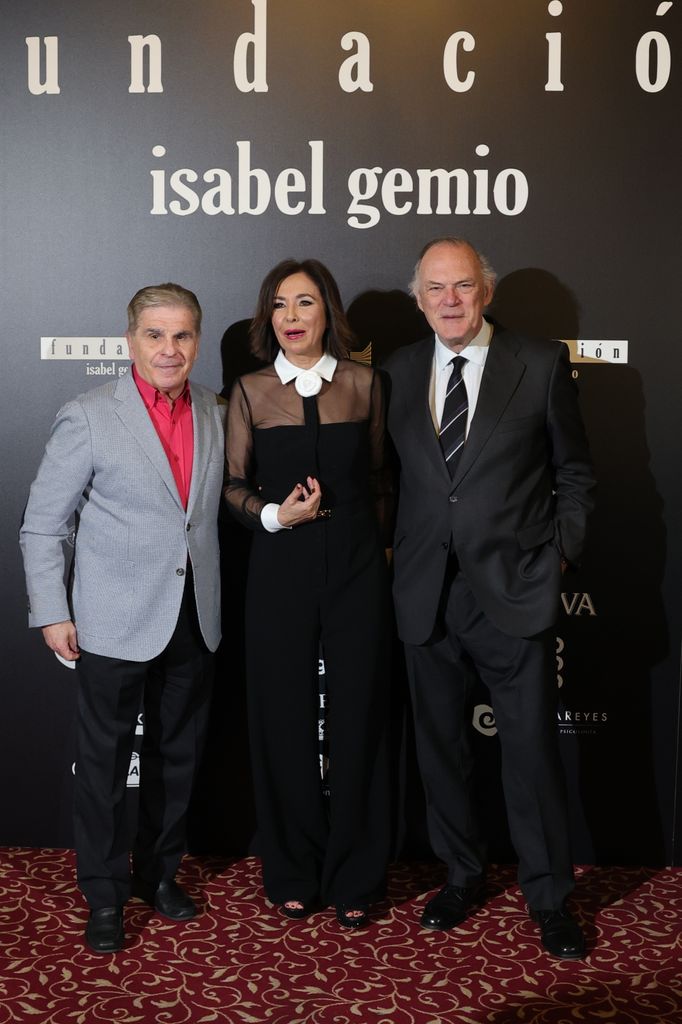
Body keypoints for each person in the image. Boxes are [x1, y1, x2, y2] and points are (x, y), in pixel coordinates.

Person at [384, 238, 595, 959]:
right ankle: (461, 876)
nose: (450, 300)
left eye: (463, 286)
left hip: (515, 590)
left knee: (532, 754)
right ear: (419, 299)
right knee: (441, 752)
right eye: (436, 288)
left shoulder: (537, 363)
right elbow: (392, 482)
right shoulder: (399, 371)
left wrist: (558, 552)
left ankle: (550, 898)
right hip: (425, 595)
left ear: (486, 292)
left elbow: (576, 472)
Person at [20, 283, 226, 954]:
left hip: (194, 615)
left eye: (183, 335)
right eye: (155, 335)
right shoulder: (88, 415)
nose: (170, 349)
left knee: (178, 757)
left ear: (197, 339)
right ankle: (105, 894)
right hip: (111, 620)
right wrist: (52, 609)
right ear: (130, 339)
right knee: (104, 767)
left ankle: (159, 875)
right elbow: (42, 525)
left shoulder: (217, 411)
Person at [224, 258, 391, 929]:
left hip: (357, 572)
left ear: (328, 313)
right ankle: (292, 868)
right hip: (278, 568)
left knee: (359, 718)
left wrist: (374, 554)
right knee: (283, 717)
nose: (292, 317)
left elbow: (382, 481)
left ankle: (356, 873)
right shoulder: (250, 390)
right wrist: (273, 516)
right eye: (280, 305)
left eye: (306, 303)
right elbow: (232, 486)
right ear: (269, 318)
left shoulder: (366, 385)